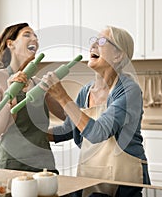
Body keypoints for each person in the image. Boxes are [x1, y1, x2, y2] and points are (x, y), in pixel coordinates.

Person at [40, 26, 150, 196]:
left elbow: (98, 132)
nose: (93, 45)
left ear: (118, 55)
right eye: (93, 41)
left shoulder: (129, 91)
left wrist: (62, 96)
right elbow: (68, 128)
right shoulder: (86, 91)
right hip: (90, 175)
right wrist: (33, 134)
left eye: (102, 41)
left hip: (124, 179)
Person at [0, 23, 64, 173]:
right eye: (27, 35)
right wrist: (11, 93)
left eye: (36, 37)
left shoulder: (39, 83)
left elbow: (67, 116)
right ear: (10, 44)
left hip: (45, 166)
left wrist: (57, 91)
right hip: (12, 167)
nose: (34, 39)